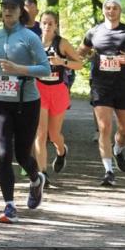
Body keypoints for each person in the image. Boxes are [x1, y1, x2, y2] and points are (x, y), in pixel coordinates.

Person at [0, 0, 51, 223]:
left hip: (27, 102)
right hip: (0, 102)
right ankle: (9, 206)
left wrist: (19, 69)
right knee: (3, 154)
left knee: (23, 154)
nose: (8, 11)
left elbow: (45, 69)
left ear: (20, 10)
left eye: (13, 7)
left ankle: (36, 179)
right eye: (5, 6)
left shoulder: (29, 37)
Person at [78, 0, 125, 187]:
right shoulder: (94, 32)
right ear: (104, 10)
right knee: (104, 128)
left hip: (123, 86)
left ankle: (118, 150)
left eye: (114, 8)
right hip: (100, 85)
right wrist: (81, 58)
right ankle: (108, 171)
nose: (111, 11)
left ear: (120, 11)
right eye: (108, 8)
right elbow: (79, 52)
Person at [34, 11, 84, 183]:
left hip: (58, 91)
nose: (47, 26)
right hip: (39, 90)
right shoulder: (34, 42)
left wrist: (62, 62)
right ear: (39, 24)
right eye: (44, 23)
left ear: (56, 26)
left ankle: (62, 151)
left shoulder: (62, 44)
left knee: (54, 134)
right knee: (40, 134)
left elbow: (80, 64)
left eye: (50, 23)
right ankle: (42, 174)